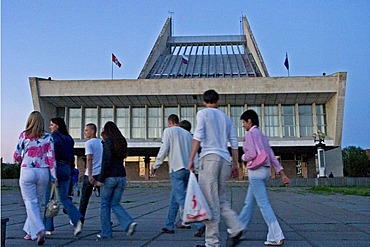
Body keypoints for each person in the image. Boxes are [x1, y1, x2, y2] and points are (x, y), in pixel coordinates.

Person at [188, 89, 245, 247]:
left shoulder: (203, 114)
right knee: (220, 198)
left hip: (209, 159)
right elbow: (234, 142)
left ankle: (211, 243)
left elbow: (198, 136)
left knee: (209, 201)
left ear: (204, 102)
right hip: (224, 159)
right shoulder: (226, 118)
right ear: (218, 101)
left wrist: (191, 159)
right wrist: (235, 164)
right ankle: (236, 226)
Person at [238, 109, 290, 246]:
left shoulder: (250, 134)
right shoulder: (262, 135)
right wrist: (282, 174)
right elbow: (272, 156)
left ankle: (277, 235)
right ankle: (238, 229)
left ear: (250, 121)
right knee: (249, 202)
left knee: (263, 204)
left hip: (255, 173)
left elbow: (251, 154)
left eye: (243, 122)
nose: (243, 125)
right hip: (265, 171)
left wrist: (243, 157)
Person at [13, 111, 57, 245]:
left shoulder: (24, 135)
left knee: (30, 203)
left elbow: (16, 155)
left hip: (27, 170)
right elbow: (51, 158)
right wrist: (54, 176)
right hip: (43, 172)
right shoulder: (48, 137)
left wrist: (21, 158)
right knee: (36, 203)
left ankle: (39, 229)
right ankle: (29, 231)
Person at [151, 114, 193, 234]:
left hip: (176, 169)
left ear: (170, 122)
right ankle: (169, 225)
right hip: (187, 169)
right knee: (174, 199)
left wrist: (155, 165)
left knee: (180, 198)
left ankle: (200, 222)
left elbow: (164, 149)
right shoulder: (187, 134)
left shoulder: (169, 131)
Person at [95, 121, 137, 239]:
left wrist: (100, 179)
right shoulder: (121, 142)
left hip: (110, 177)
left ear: (106, 131)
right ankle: (128, 222)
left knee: (104, 205)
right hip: (121, 176)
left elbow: (106, 161)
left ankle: (106, 233)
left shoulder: (108, 142)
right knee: (115, 203)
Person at [43, 117, 83, 236]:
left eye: (51, 125)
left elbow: (54, 151)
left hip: (57, 167)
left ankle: (48, 227)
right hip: (67, 168)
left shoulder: (55, 136)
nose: (50, 127)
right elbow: (71, 156)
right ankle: (77, 219)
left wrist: (52, 169)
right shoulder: (69, 139)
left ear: (57, 126)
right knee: (64, 198)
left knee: (48, 198)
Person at [179, 120, 205, 238]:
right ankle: (187, 220)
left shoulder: (185, 139)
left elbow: (193, 156)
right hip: (195, 171)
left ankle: (192, 221)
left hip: (188, 170)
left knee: (184, 196)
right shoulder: (193, 138)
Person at [79, 123, 103, 224]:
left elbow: (89, 159)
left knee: (84, 198)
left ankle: (80, 220)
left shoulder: (89, 143)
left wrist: (89, 175)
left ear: (92, 131)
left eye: (86, 130)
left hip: (91, 173)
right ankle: (106, 220)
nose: (84, 132)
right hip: (101, 173)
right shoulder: (102, 142)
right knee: (104, 199)